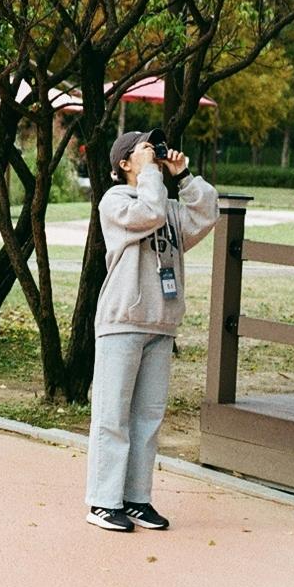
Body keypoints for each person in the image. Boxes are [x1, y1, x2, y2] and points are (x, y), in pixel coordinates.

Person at [85, 130, 218, 533]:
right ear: (124, 163)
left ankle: (136, 498)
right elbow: (149, 214)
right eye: (146, 148)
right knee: (113, 415)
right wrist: (151, 178)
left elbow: (206, 215)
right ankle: (103, 501)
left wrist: (184, 176)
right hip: (122, 320)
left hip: (161, 322)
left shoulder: (165, 202)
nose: (154, 153)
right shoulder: (115, 202)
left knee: (147, 417)